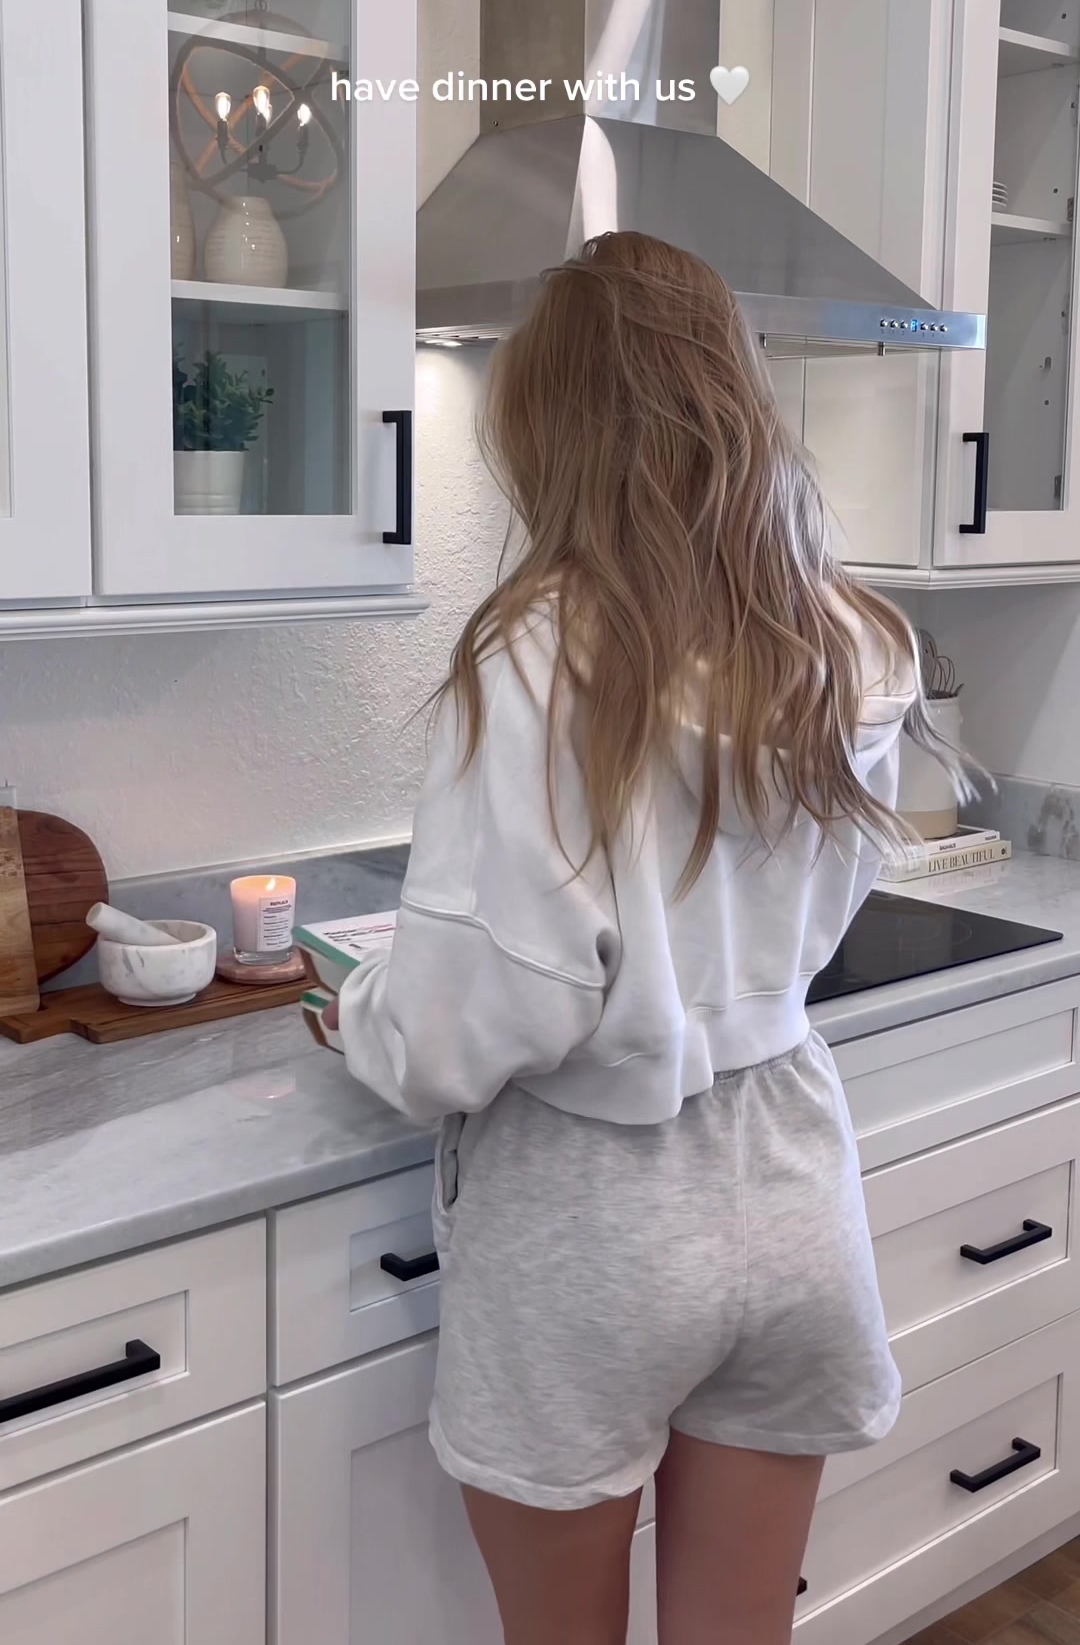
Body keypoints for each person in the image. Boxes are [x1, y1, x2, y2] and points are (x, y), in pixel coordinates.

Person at [325, 231, 963, 1645]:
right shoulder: (848, 635)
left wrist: (359, 1010)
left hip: (594, 1216)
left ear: (550, 430)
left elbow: (472, 1020)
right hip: (791, 1177)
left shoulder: (539, 649)